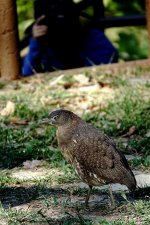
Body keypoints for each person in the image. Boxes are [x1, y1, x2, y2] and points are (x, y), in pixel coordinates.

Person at [22, 0, 118, 76]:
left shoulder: (91, 37)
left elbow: (107, 65)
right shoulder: (42, 44)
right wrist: (36, 43)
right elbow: (27, 74)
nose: (60, 24)